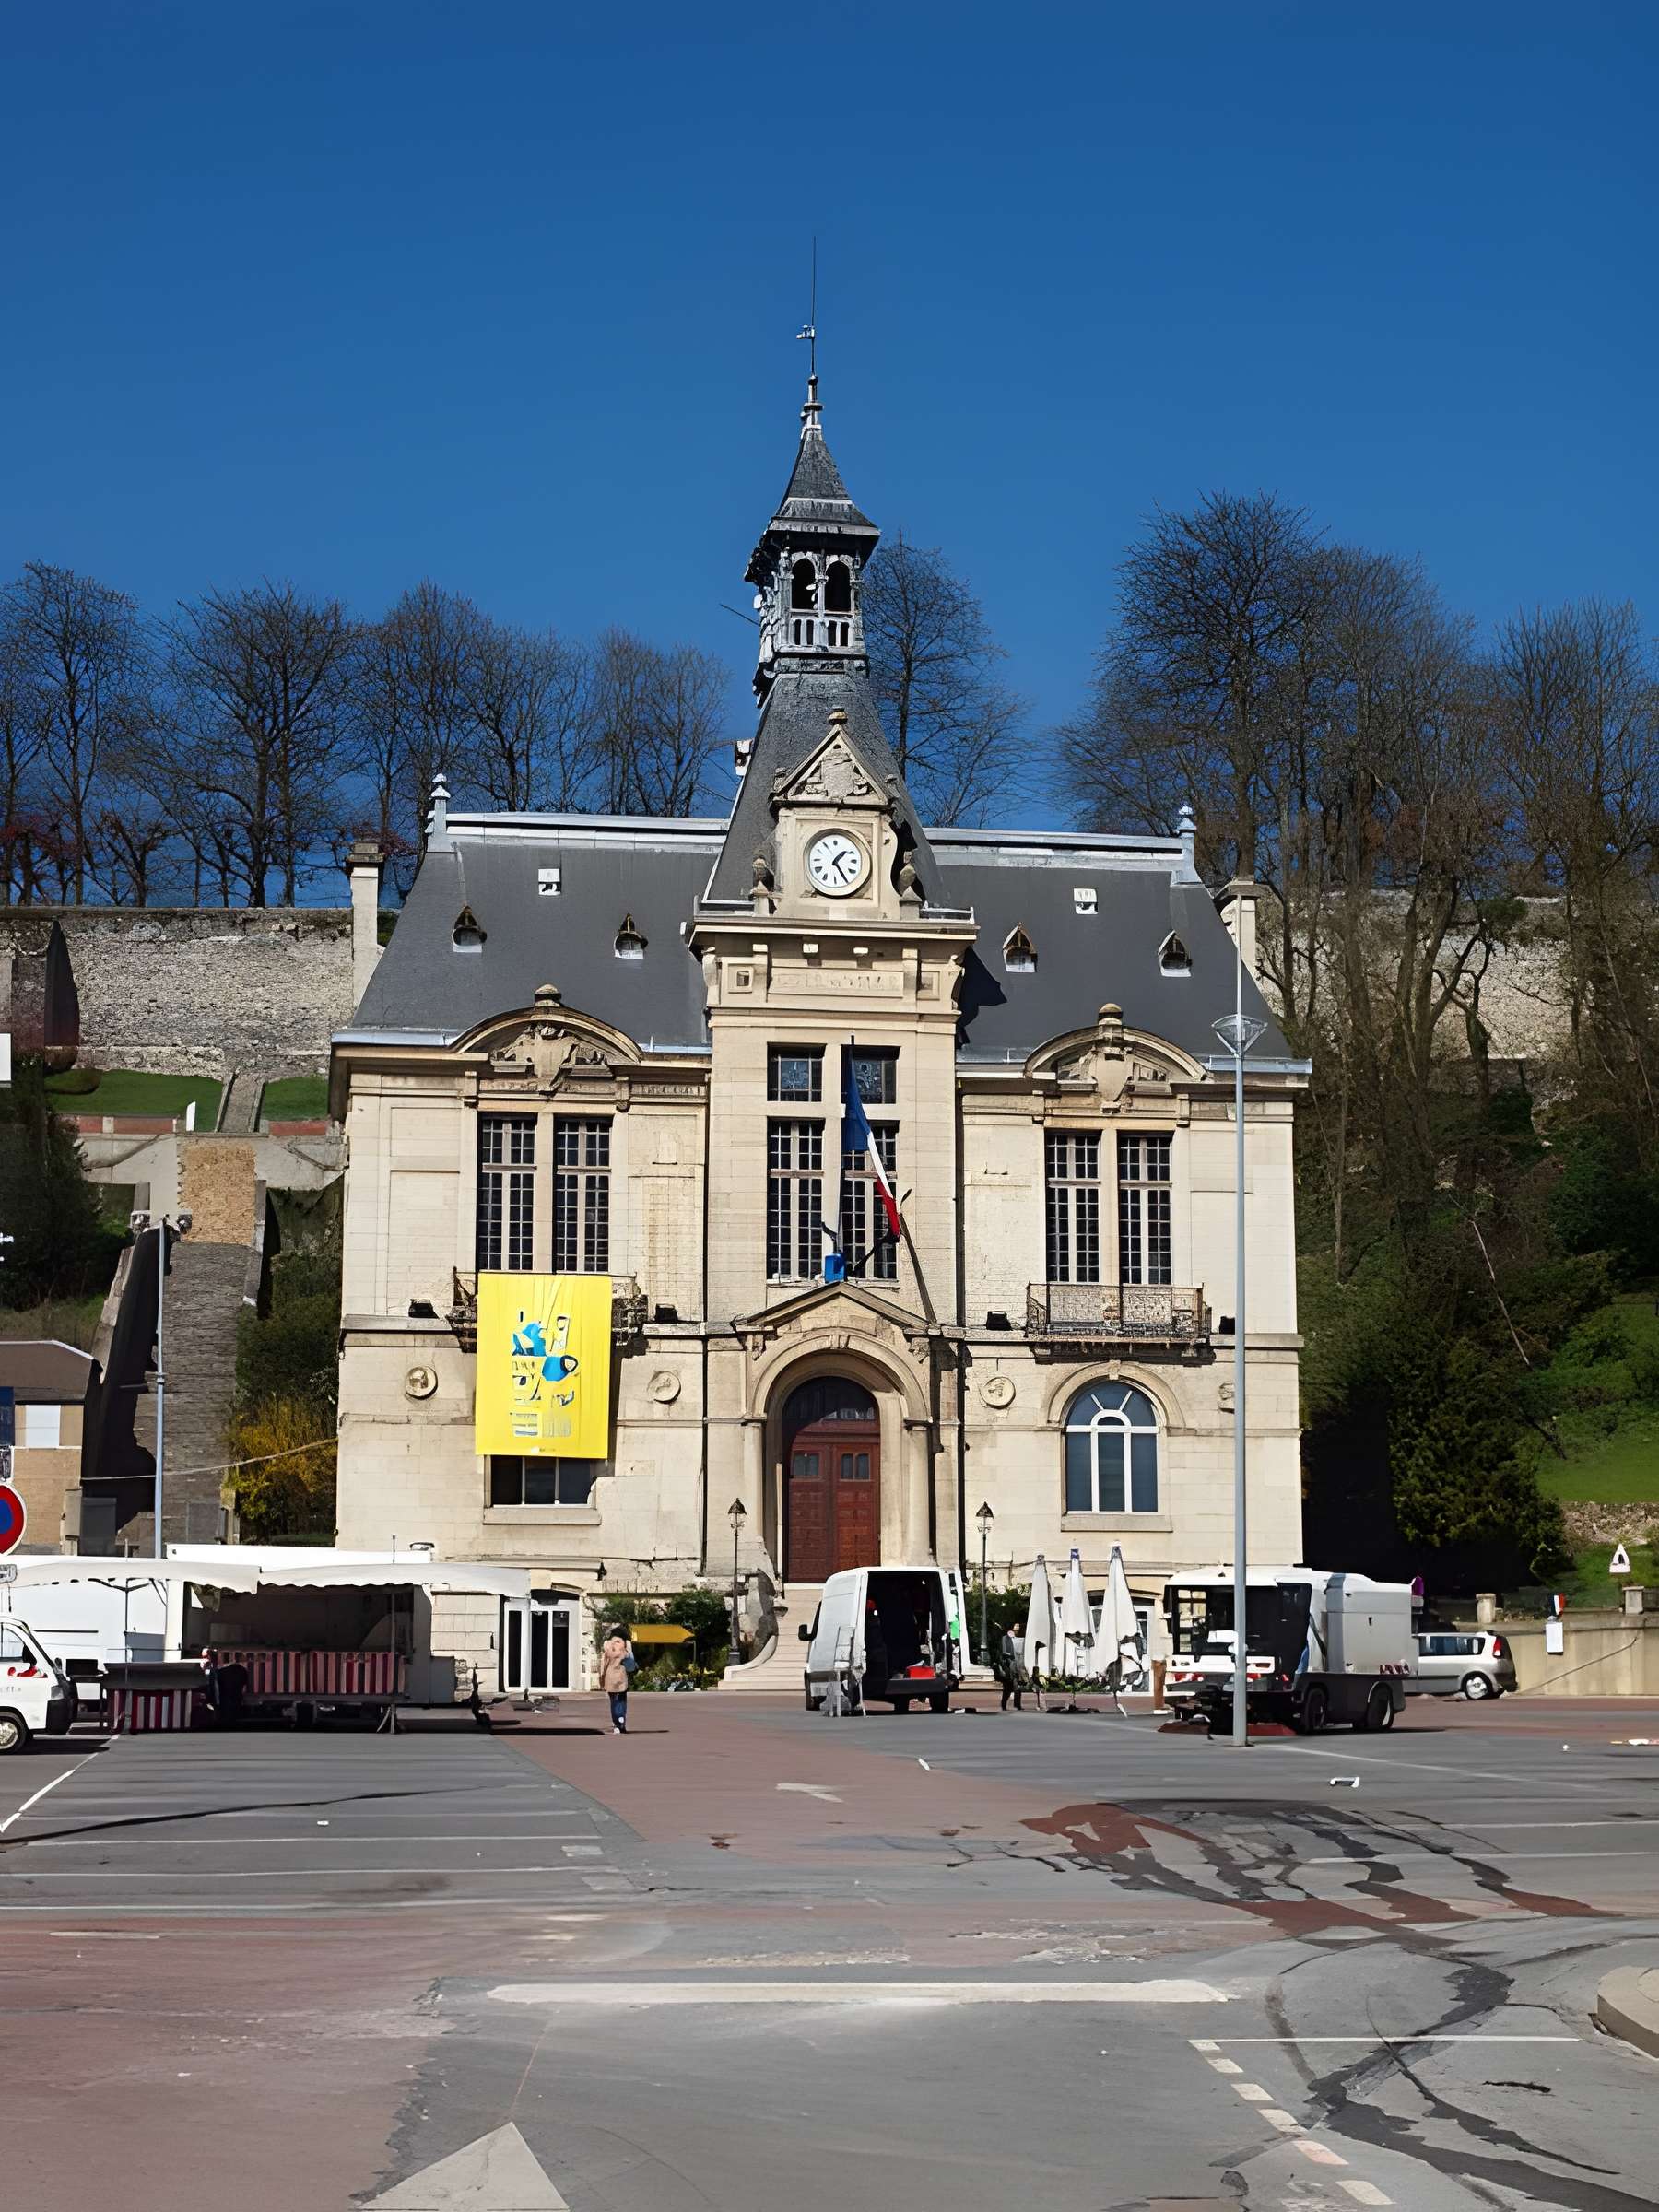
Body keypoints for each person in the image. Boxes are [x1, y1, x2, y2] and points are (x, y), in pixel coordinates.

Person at [598, 1628, 635, 1734]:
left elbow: (603, 1663)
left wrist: (601, 1677)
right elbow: (631, 1662)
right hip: (621, 1676)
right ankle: (621, 1720)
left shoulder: (607, 1645)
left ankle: (616, 1724)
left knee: (613, 1701)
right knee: (621, 1700)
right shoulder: (625, 1645)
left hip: (609, 1677)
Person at [998, 1619, 1026, 1712]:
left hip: (1018, 1665)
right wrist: (1009, 1657)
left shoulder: (1021, 1639)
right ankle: (1003, 1705)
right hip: (1009, 1666)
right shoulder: (1005, 1638)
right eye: (1016, 1626)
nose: (1017, 1628)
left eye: (1018, 1626)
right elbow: (1004, 1651)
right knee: (1008, 1687)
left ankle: (1017, 1705)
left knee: (1018, 1687)